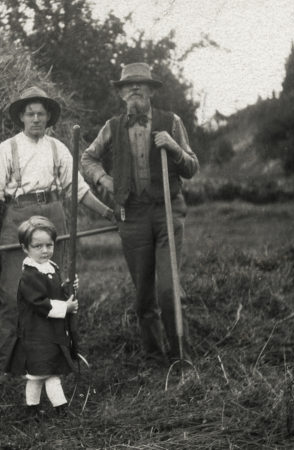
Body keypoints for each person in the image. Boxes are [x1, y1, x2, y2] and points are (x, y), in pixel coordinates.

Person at [0, 86, 113, 379]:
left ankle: (59, 360)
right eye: (30, 114)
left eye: (41, 114)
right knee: (13, 294)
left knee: (57, 290)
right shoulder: (6, 148)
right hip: (19, 218)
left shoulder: (58, 148)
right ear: (21, 118)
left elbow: (78, 190)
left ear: (48, 117)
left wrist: (109, 213)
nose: (36, 119)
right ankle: (7, 366)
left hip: (53, 215)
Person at [81, 63, 199, 362]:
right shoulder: (113, 126)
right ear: (121, 93)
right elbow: (88, 158)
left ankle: (180, 356)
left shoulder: (171, 122)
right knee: (144, 296)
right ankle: (154, 356)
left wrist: (173, 148)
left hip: (167, 212)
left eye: (140, 84)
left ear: (151, 90)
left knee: (168, 290)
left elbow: (192, 168)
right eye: (127, 85)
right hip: (131, 216)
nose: (133, 89)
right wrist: (103, 180)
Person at [6, 216, 78, 418]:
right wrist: (66, 307)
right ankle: (61, 410)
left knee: (40, 374)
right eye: (38, 246)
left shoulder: (51, 267)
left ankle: (33, 410)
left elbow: (55, 291)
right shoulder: (29, 275)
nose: (45, 250)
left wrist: (67, 288)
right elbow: (40, 304)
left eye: (49, 244)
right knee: (47, 373)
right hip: (36, 333)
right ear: (25, 248)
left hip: (49, 332)